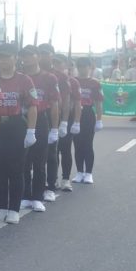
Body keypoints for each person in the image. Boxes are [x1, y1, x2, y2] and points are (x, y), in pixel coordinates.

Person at [0, 43, 38, 224]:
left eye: (6, 56)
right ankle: (1, 207)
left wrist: (31, 131)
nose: (2, 60)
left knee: (16, 169)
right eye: (0, 56)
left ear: (15, 58)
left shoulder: (24, 80)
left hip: (16, 126)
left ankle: (14, 209)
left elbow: (33, 106)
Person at [19, 45, 59, 213]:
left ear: (37, 57)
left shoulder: (49, 78)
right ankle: (25, 195)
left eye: (30, 55)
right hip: (20, 120)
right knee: (23, 162)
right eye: (24, 56)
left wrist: (55, 128)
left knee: (39, 160)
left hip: (41, 119)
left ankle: (37, 196)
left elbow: (55, 103)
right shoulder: (19, 76)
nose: (26, 59)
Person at [38, 44, 69, 200]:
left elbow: (64, 99)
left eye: (46, 54)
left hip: (52, 115)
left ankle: (50, 186)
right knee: (34, 155)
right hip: (32, 116)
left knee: (51, 152)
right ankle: (35, 186)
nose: (43, 56)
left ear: (52, 55)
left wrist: (62, 122)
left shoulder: (59, 76)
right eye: (40, 53)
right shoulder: (29, 73)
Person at [73, 57, 103, 184]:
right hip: (75, 114)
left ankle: (89, 173)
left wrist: (99, 120)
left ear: (90, 68)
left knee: (87, 144)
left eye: (85, 67)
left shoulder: (95, 83)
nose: (82, 69)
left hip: (88, 114)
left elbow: (98, 102)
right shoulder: (73, 81)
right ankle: (79, 172)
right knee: (77, 145)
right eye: (80, 67)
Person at [54, 56, 80, 191]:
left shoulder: (73, 82)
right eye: (55, 62)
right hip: (52, 118)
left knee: (65, 150)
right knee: (53, 151)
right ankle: (53, 179)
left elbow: (76, 102)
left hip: (66, 118)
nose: (57, 65)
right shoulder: (50, 77)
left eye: (59, 63)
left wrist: (76, 121)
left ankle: (65, 179)